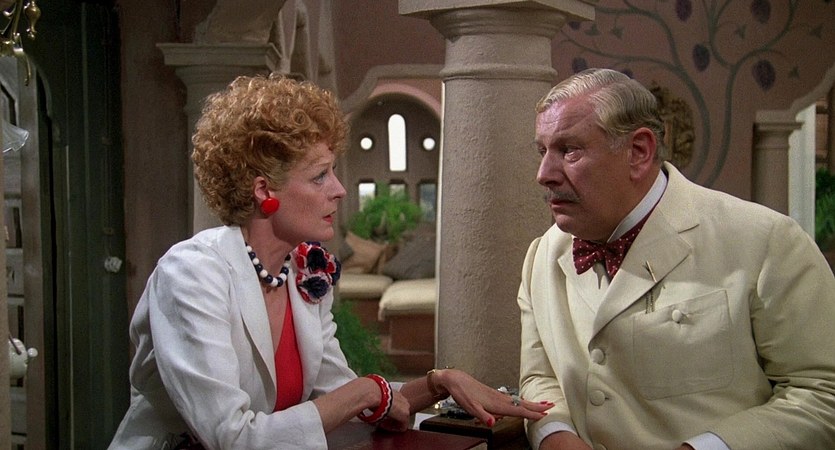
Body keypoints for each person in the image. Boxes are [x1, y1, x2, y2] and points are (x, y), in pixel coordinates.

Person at [110, 74, 552, 449]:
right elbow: (233, 438)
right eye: (320, 175)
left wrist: (439, 383)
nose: (339, 190)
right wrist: (365, 391)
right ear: (264, 191)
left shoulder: (302, 272)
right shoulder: (191, 274)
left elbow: (344, 403)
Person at [517, 67, 835, 450]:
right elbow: (540, 379)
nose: (544, 174)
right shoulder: (542, 256)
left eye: (569, 150)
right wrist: (555, 437)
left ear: (638, 152)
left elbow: (822, 393)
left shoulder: (766, 241)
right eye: (542, 151)